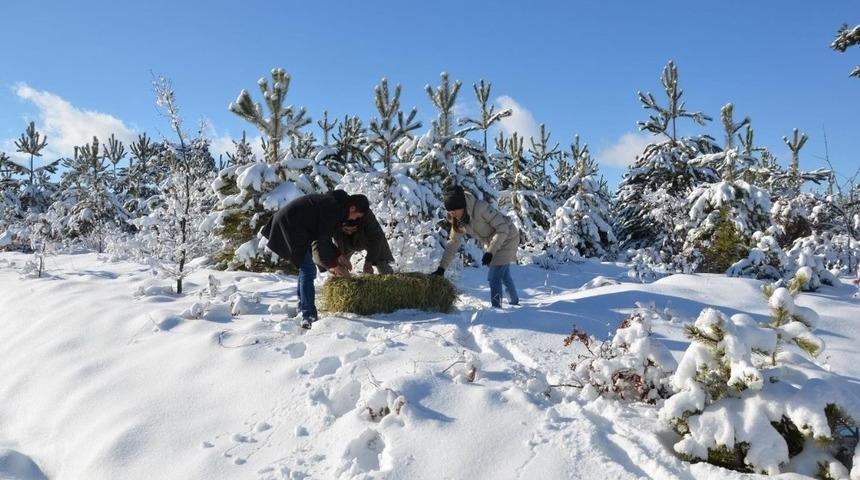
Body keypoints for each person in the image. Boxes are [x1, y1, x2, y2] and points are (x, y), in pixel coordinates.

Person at [261, 190, 370, 328]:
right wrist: (333, 265)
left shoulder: (336, 205)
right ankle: (308, 316)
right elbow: (322, 241)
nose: (354, 219)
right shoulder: (335, 208)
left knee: (305, 269)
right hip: (290, 227)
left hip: (294, 227)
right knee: (308, 269)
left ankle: (303, 309)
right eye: (356, 216)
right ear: (353, 208)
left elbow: (323, 236)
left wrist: (338, 255)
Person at [433, 185, 520, 308]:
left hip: (508, 237)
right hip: (495, 241)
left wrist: (490, 252)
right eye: (450, 211)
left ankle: (497, 309)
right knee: (503, 274)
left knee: (494, 276)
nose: (452, 213)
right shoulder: (458, 220)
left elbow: (503, 228)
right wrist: (441, 268)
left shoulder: (480, 208)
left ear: (462, 205)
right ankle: (514, 302)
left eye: (455, 210)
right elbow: (453, 242)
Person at [313, 209, 395, 275]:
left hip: (366, 239)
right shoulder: (333, 219)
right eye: (347, 229)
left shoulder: (367, 217)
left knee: (382, 262)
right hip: (343, 240)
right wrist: (333, 264)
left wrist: (369, 261)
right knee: (341, 264)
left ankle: (390, 279)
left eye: (352, 230)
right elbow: (322, 244)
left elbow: (377, 239)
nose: (349, 232)